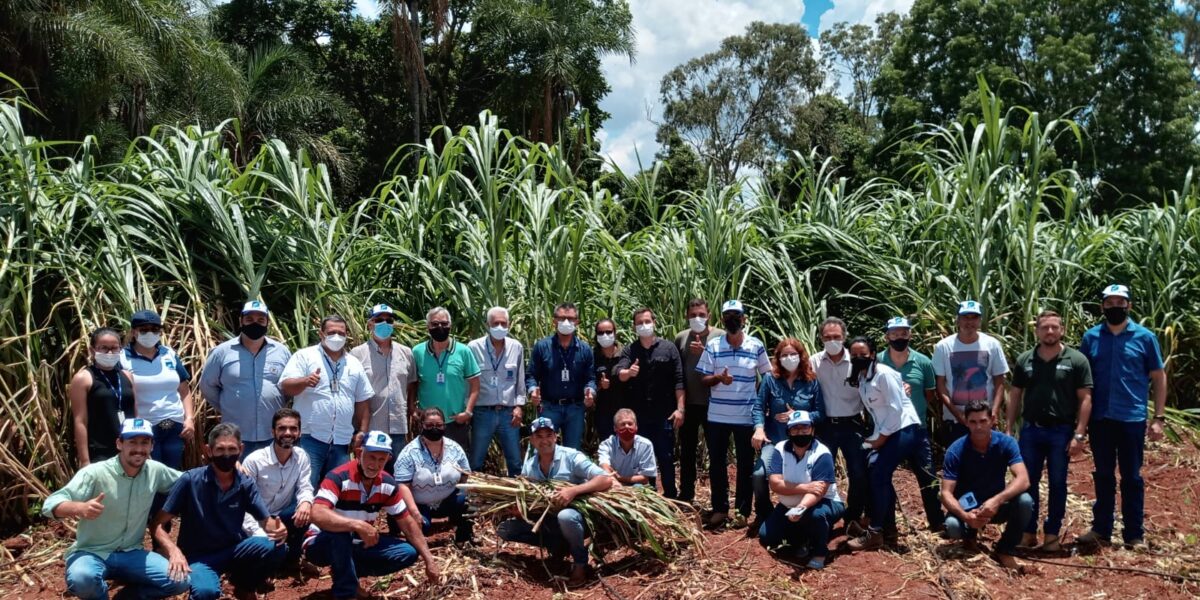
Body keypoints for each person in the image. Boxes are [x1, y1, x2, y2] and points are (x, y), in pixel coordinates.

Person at [44, 418, 187, 600]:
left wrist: (232, 469)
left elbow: (189, 481)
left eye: (144, 443)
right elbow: (51, 503)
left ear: (152, 446)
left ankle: (129, 597)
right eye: (132, 442)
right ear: (119, 443)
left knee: (180, 580)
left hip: (131, 552)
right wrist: (79, 507)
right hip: (92, 552)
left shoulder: (155, 471)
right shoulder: (95, 473)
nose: (139, 449)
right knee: (82, 579)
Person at [151, 423, 288, 600]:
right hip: (200, 557)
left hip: (234, 549)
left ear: (241, 449)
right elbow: (157, 524)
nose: (226, 455)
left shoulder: (245, 483)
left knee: (278, 546)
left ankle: (244, 586)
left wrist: (278, 529)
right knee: (205, 593)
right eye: (220, 449)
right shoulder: (190, 481)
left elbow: (265, 521)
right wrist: (174, 551)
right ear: (208, 451)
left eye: (232, 449)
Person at [1076, 284, 1167, 549]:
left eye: (1120, 302)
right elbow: (1083, 380)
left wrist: (1159, 417)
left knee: (1132, 477)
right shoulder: (1091, 338)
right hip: (1101, 418)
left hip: (1132, 418)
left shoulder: (1145, 337)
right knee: (1103, 474)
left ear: (1129, 305)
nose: (1115, 307)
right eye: (1110, 302)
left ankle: (1134, 534)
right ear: (1102, 306)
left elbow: (1159, 377)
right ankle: (1101, 530)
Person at [305, 430, 441, 600]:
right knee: (341, 535)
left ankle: (346, 575)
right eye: (371, 457)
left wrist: (429, 559)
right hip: (321, 543)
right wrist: (357, 525)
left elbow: (407, 523)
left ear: (387, 460)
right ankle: (346, 593)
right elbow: (317, 513)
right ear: (359, 453)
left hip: (357, 542)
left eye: (381, 459)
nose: (375, 465)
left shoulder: (387, 484)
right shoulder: (339, 477)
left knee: (407, 552)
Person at [1005, 310, 1093, 551]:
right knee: (1026, 482)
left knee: (1058, 483)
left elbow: (1085, 398)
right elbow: (1015, 396)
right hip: (1031, 431)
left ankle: (1052, 534)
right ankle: (1028, 532)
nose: (1050, 331)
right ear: (1037, 331)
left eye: (1055, 327)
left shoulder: (1076, 360)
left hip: (1061, 432)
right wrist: (1009, 428)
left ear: (1062, 330)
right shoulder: (1026, 359)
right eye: (1045, 328)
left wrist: (1079, 434)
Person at [844, 337, 938, 551]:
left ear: (873, 354)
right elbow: (877, 413)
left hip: (905, 429)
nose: (859, 358)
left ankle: (876, 532)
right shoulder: (862, 377)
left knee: (879, 472)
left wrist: (880, 439)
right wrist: (874, 438)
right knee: (873, 469)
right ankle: (888, 530)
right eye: (854, 355)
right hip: (887, 430)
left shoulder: (884, 374)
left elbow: (896, 409)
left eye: (863, 354)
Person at [496, 417, 613, 585]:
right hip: (547, 519)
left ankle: (580, 562)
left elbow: (605, 479)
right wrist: (521, 512)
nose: (545, 440)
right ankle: (558, 548)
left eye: (548, 435)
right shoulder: (529, 466)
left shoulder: (571, 457)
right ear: (532, 440)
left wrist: (573, 491)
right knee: (505, 529)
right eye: (539, 436)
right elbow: (528, 500)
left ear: (555, 437)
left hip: (576, 517)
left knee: (566, 517)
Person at [696, 300, 772, 528]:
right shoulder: (713, 345)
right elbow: (704, 378)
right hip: (717, 416)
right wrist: (719, 378)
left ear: (744, 319)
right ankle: (720, 509)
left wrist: (760, 401)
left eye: (736, 315)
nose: (732, 319)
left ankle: (742, 511)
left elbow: (767, 376)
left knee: (745, 464)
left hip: (745, 415)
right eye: (728, 315)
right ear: (722, 319)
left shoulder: (755, 345)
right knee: (717, 463)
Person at [280, 315, 375, 488]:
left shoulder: (354, 363)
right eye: (331, 332)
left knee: (337, 489)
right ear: (321, 334)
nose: (336, 337)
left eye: (341, 333)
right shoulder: (304, 356)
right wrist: (305, 381)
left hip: (341, 441)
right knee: (306, 487)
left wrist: (362, 431)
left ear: (347, 335)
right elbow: (286, 386)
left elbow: (363, 401)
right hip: (311, 437)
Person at [940, 401, 1034, 571]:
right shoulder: (956, 450)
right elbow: (946, 493)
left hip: (995, 507)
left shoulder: (1006, 443)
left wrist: (997, 501)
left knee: (1025, 501)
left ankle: (1005, 549)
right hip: (968, 508)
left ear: (992, 419)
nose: (978, 427)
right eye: (973, 422)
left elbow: (1023, 479)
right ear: (966, 422)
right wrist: (966, 516)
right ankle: (970, 536)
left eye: (983, 421)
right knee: (953, 527)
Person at [877, 316, 944, 533]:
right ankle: (888, 527)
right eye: (894, 333)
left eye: (903, 333)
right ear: (887, 336)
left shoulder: (923, 362)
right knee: (883, 475)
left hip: (917, 430)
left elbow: (929, 394)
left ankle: (937, 523)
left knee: (928, 476)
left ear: (910, 334)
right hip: (888, 431)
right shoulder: (877, 361)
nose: (899, 337)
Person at [200, 300, 292, 457]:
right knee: (237, 478)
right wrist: (227, 405)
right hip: (236, 436)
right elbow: (207, 386)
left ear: (267, 323)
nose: (255, 323)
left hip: (272, 433)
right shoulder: (221, 352)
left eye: (260, 320)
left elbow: (288, 387)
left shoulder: (282, 352)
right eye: (249, 319)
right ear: (241, 321)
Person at [758, 411, 844, 570]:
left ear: (812, 429)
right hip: (789, 506)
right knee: (766, 536)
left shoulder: (822, 453)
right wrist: (805, 487)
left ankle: (819, 552)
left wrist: (800, 508)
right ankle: (802, 539)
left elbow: (818, 491)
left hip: (824, 502)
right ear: (788, 432)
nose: (800, 432)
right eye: (795, 428)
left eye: (804, 427)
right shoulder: (780, 449)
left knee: (816, 515)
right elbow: (775, 484)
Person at [752, 338, 824, 528]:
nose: (789, 358)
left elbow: (820, 413)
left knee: (806, 479)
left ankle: (806, 513)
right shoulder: (770, 380)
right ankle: (764, 513)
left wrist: (800, 415)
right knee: (759, 474)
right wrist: (759, 428)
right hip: (775, 440)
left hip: (803, 443)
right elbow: (759, 406)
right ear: (778, 358)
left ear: (801, 357)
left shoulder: (812, 381)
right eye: (784, 355)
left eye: (793, 354)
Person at [614, 307, 685, 497]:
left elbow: (679, 380)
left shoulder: (669, 348)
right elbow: (619, 373)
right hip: (639, 416)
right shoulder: (630, 350)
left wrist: (680, 409)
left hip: (664, 414)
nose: (644, 325)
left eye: (647, 321)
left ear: (654, 322)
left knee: (666, 456)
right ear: (634, 326)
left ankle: (671, 495)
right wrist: (628, 373)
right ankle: (650, 495)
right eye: (639, 323)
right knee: (644, 457)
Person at [809, 316, 870, 533]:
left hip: (852, 423)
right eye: (827, 337)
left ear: (844, 337)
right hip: (825, 425)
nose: (832, 341)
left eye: (836, 337)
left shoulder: (857, 361)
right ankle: (822, 515)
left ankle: (852, 518)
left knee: (858, 472)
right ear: (821, 338)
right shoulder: (814, 362)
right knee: (821, 472)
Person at [121, 309, 194, 470]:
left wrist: (189, 418)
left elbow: (184, 389)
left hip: (175, 426)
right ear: (134, 332)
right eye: (144, 330)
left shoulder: (169, 354)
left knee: (172, 472)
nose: (150, 334)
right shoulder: (123, 358)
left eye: (154, 330)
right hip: (144, 428)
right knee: (149, 472)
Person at [241, 408, 315, 568]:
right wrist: (260, 532)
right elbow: (244, 505)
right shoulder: (254, 461)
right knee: (269, 547)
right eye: (282, 428)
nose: (288, 433)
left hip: (281, 517)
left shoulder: (301, 456)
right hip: (255, 520)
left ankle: (292, 560)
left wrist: (306, 502)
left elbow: (305, 486)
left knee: (309, 510)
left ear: (300, 433)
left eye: (293, 428)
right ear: (273, 431)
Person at [349, 303, 418, 470]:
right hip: (371, 425)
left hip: (398, 425)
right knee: (370, 470)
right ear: (370, 324)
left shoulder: (406, 352)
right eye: (379, 320)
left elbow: (412, 381)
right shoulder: (357, 354)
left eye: (389, 320)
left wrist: (410, 407)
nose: (385, 323)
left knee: (398, 470)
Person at [932, 300, 1009, 446]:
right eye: (965, 317)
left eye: (974, 317)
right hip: (955, 419)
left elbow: (999, 380)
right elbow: (940, 384)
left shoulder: (992, 344)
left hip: (984, 418)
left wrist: (994, 412)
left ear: (980, 320)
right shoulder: (944, 347)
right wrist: (958, 414)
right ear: (957, 320)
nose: (969, 321)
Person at [393, 408, 473, 544]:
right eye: (429, 425)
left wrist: (471, 497)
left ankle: (464, 537)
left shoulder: (455, 448)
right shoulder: (409, 453)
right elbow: (402, 486)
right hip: (420, 504)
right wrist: (414, 512)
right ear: (421, 426)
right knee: (423, 527)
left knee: (468, 502)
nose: (434, 428)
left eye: (438, 425)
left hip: (448, 500)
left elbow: (466, 476)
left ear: (444, 426)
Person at [526, 303, 597, 450]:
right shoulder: (542, 347)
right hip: (549, 407)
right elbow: (532, 374)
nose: (566, 322)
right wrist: (532, 390)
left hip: (575, 408)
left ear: (577, 322)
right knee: (544, 448)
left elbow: (590, 378)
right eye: (561, 318)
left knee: (572, 451)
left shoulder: (585, 349)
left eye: (570, 319)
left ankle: (568, 474)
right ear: (554, 321)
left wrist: (590, 392)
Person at [674, 299, 724, 503]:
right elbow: (677, 372)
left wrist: (705, 353)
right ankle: (686, 496)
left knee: (716, 454)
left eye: (701, 315)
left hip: (714, 404)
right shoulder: (681, 338)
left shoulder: (719, 336)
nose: (697, 318)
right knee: (687, 452)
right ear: (687, 316)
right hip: (690, 404)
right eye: (693, 315)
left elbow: (726, 365)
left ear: (709, 315)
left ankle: (719, 502)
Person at [467, 306, 526, 475]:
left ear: (509, 324)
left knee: (514, 460)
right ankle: (471, 496)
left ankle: (517, 496)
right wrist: (468, 410)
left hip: (509, 413)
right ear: (488, 324)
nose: (500, 327)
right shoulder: (473, 347)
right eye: (496, 323)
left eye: (504, 323)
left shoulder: (517, 347)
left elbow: (520, 380)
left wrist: (519, 406)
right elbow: (468, 382)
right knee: (476, 459)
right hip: (483, 412)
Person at [412, 306, 481, 451]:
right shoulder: (418, 352)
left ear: (450, 325)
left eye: (444, 324)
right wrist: (413, 407)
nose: (440, 327)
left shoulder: (463, 351)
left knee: (456, 465)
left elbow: (475, 385)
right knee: (426, 461)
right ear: (428, 326)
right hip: (428, 421)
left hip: (455, 420)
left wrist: (467, 412)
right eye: (435, 324)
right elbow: (413, 383)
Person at [70, 327, 136, 466]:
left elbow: (136, 413)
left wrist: (142, 446)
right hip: (100, 451)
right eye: (104, 348)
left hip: (129, 448)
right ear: (92, 350)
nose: (110, 352)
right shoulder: (84, 378)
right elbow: (80, 421)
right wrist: (85, 460)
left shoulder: (127, 376)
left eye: (114, 348)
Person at [597, 409, 658, 487]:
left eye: (630, 424)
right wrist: (617, 483)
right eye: (622, 424)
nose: (626, 426)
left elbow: (644, 478)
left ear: (636, 427)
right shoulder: (606, 445)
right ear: (615, 428)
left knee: (638, 487)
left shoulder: (646, 445)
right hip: (613, 483)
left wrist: (621, 478)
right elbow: (604, 466)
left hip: (635, 485)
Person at [592, 318, 628, 442]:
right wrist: (600, 386)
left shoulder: (625, 353)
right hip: (603, 411)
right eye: (600, 333)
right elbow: (588, 382)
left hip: (625, 409)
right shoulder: (593, 356)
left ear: (615, 332)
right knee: (606, 445)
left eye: (608, 332)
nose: (605, 335)